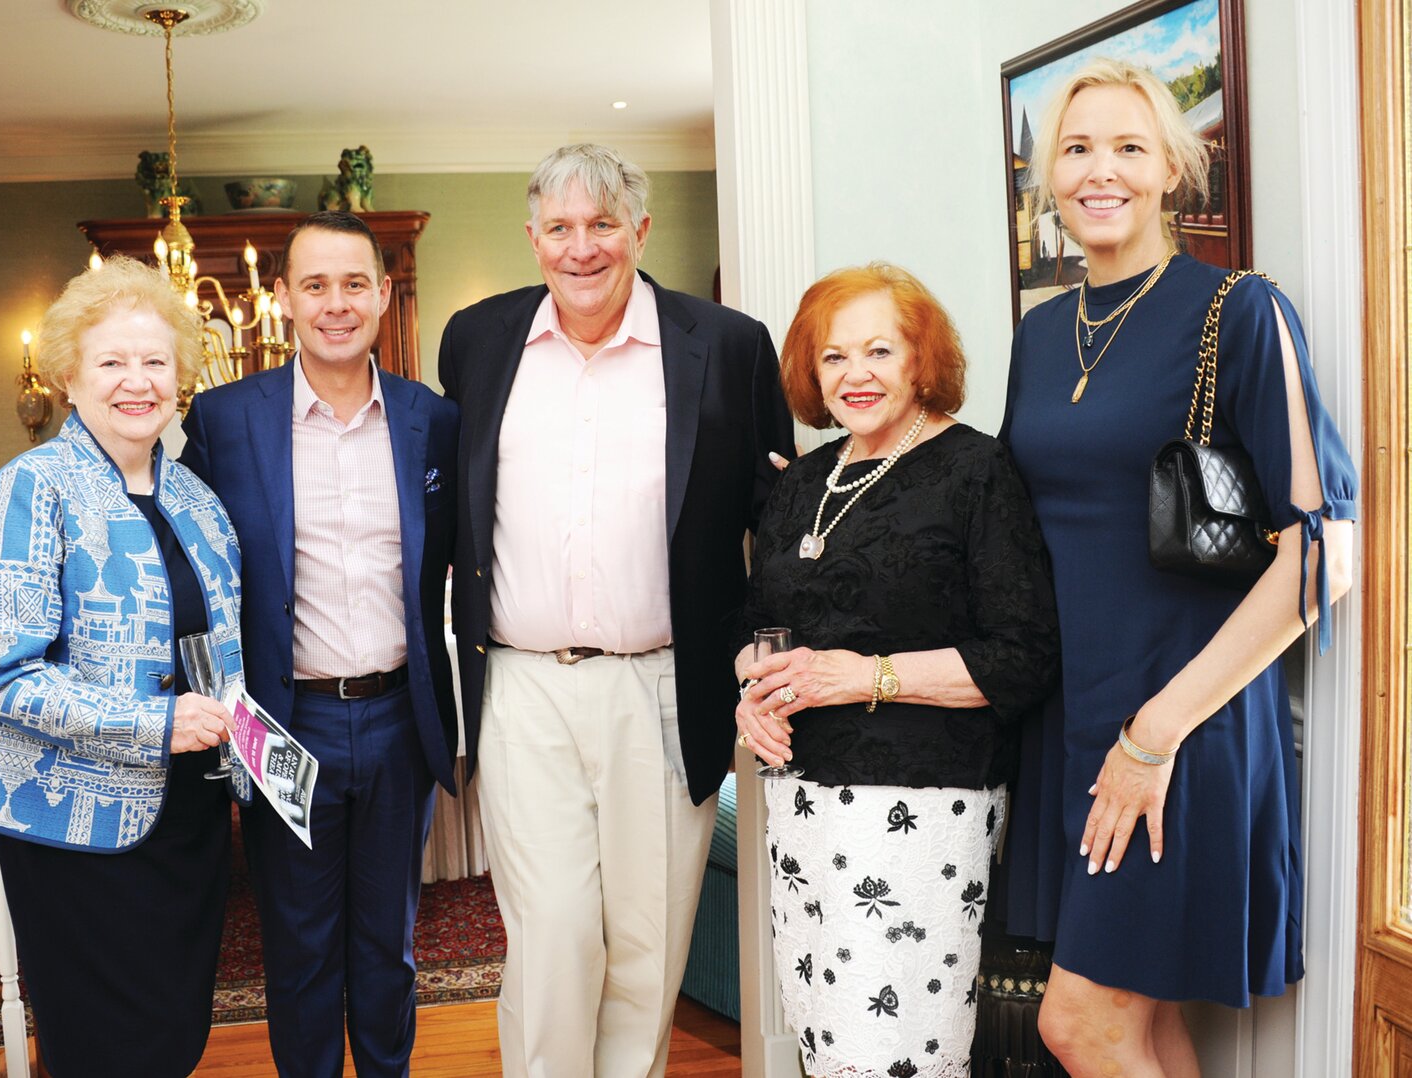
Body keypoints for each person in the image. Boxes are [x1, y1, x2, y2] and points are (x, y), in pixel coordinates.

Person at [998, 58, 1356, 1076]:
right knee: (1141, 1025)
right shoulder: (1037, 334)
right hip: (1069, 723)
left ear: (1170, 168)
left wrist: (1155, 733)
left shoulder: (1239, 311)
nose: (1097, 169)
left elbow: (1319, 557)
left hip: (1179, 720)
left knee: (1080, 1023)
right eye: (1074, 149)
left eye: (1126, 146)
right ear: (1047, 177)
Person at [438, 142, 795, 1077]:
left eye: (602, 225)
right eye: (560, 228)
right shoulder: (478, 341)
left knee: (645, 946)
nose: (581, 248)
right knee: (553, 933)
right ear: (532, 238)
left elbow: (779, 523)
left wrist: (768, 660)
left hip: (669, 688)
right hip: (523, 686)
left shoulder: (726, 345)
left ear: (639, 228)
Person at [733, 263, 1059, 1077]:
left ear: (922, 359)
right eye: (834, 357)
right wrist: (754, 690)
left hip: (920, 810)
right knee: (827, 1042)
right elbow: (756, 624)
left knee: (894, 1053)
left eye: (880, 350)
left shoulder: (974, 471)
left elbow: (1021, 656)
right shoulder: (804, 479)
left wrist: (862, 677)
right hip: (801, 804)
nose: (857, 375)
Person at [180, 210, 459, 1078]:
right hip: (280, 721)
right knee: (297, 951)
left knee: (390, 946)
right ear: (284, 299)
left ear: (382, 294)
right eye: (314, 285)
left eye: (353, 284)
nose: (335, 304)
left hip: (395, 720)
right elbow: (191, 570)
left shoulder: (431, 420)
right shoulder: (226, 421)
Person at [0, 255, 245, 1077]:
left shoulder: (196, 499)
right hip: (75, 833)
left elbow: (215, 648)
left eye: (155, 361)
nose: (136, 381)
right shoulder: (26, 491)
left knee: (173, 1037)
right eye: (112, 361)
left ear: (180, 378)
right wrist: (157, 722)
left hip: (186, 819)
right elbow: (2, 678)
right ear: (69, 378)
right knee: (105, 1050)